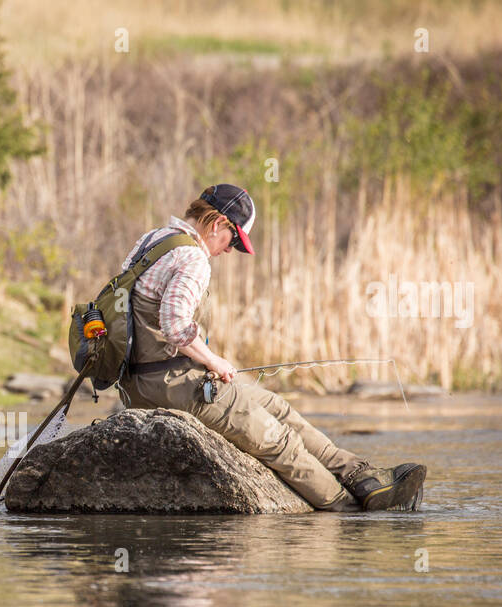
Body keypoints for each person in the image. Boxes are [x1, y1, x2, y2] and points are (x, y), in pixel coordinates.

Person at [118, 184, 425, 511]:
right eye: (234, 240)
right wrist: (215, 362)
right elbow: (175, 326)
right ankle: (347, 510)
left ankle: (361, 475)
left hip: (139, 382)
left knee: (277, 408)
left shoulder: (153, 240)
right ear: (218, 223)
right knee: (279, 442)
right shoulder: (193, 258)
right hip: (174, 385)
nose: (230, 250)